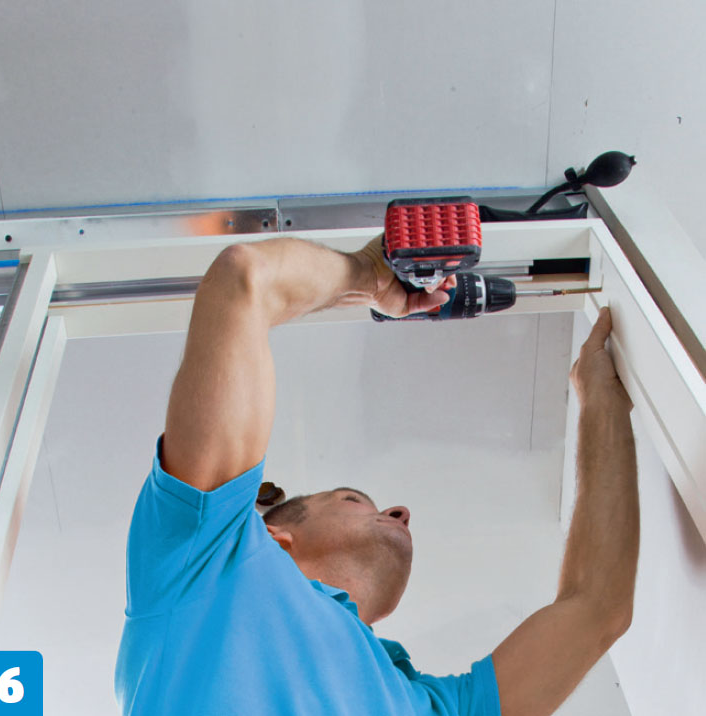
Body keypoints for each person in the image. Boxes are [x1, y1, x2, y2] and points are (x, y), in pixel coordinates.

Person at [114, 235, 639, 716]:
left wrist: (602, 401)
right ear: (275, 538)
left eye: (356, 499)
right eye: (354, 499)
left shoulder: (422, 703)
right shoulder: (206, 559)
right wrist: (367, 276)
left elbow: (596, 605)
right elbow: (243, 279)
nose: (400, 512)